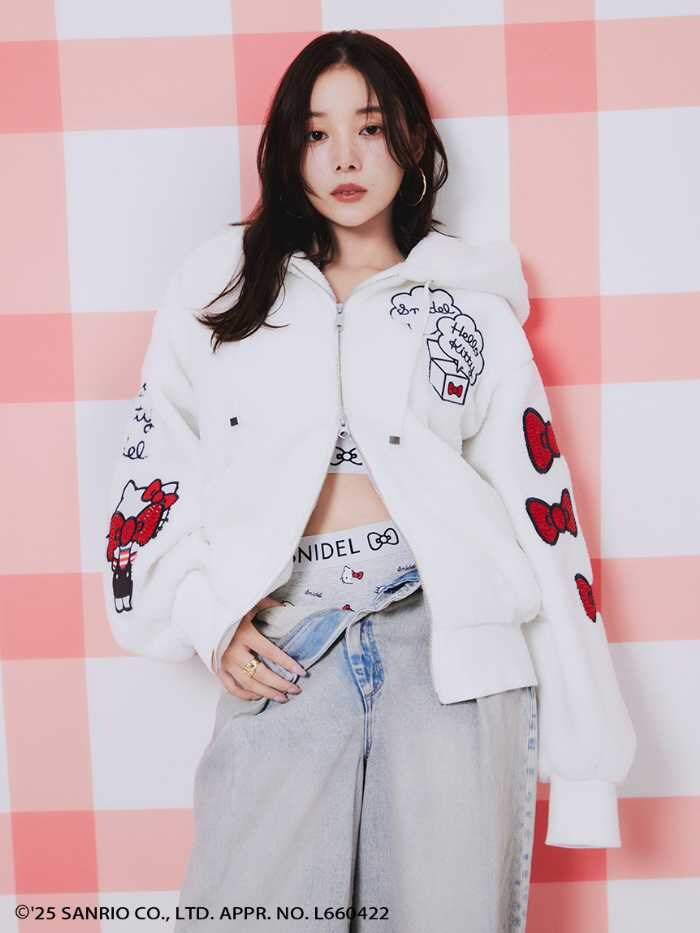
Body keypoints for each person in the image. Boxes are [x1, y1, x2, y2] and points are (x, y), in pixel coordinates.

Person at [101, 29, 637, 933]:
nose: (344, 157)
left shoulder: (469, 305)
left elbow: (545, 514)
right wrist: (206, 616)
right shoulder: (222, 289)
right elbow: (152, 472)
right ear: (286, 147)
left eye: (372, 127)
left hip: (447, 653)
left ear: (413, 139)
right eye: (317, 132)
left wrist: (586, 763)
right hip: (287, 641)